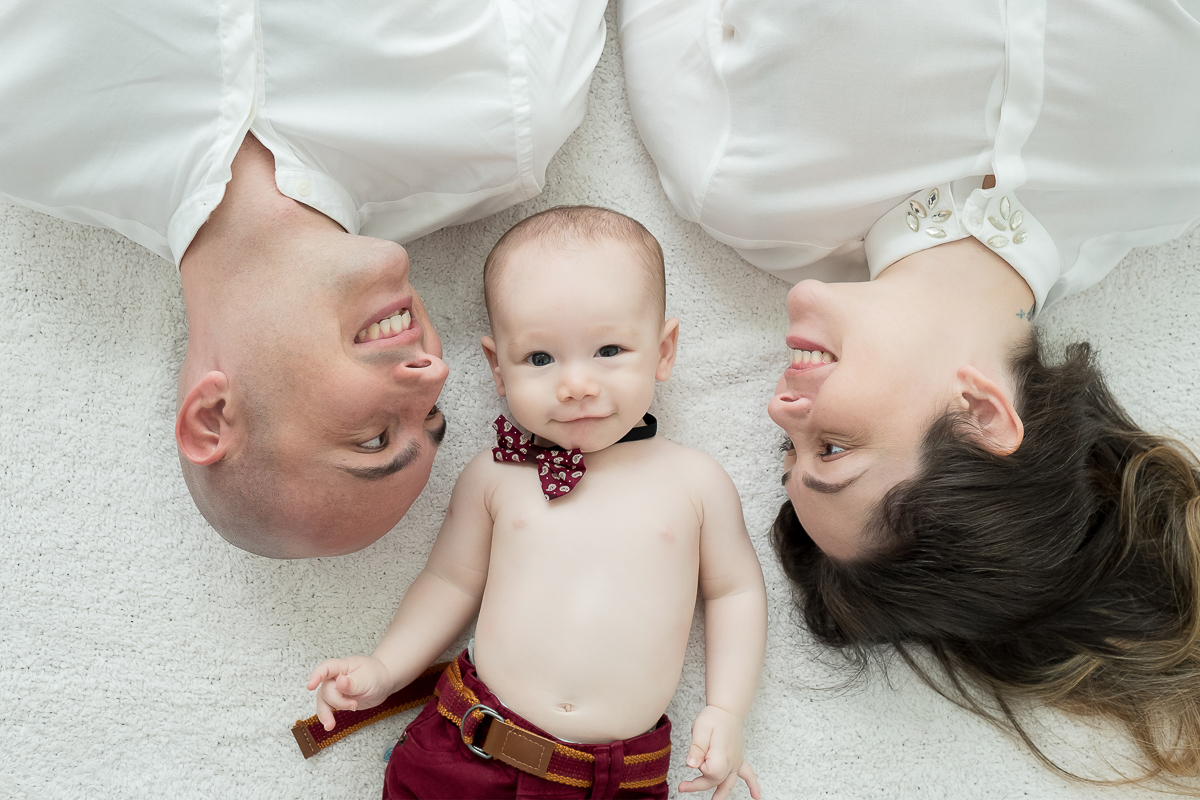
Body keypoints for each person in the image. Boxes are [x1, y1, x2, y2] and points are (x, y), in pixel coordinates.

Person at [619, 0, 1200, 783]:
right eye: (831, 448)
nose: (779, 410)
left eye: (786, 449)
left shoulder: (744, 186)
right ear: (982, 413)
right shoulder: (1177, 174)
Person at [0, 0, 608, 557]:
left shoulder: (19, 120)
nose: (435, 374)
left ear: (212, 416)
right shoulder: (511, 123)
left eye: (373, 440)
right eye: (433, 418)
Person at [305, 207, 767, 800]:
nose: (576, 384)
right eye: (541, 360)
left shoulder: (696, 482)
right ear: (498, 368)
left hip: (615, 779)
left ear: (664, 351)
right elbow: (449, 581)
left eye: (609, 350)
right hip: (470, 748)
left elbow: (734, 592)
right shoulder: (496, 475)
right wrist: (386, 668)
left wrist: (727, 712)